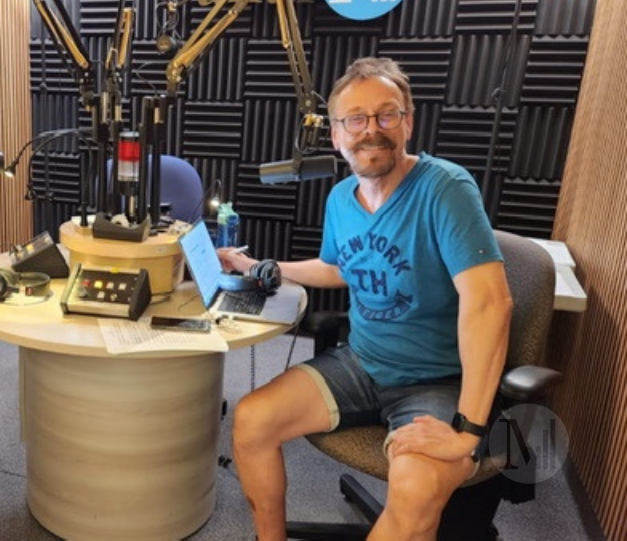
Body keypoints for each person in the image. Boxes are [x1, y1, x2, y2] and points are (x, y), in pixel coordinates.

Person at [218, 57, 513, 541]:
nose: (370, 130)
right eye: (355, 119)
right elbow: (340, 266)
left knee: (416, 493)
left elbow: (491, 304)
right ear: (335, 135)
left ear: (408, 122)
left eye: (386, 114)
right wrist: (259, 267)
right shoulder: (341, 197)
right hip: (363, 363)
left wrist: (469, 429)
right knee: (251, 420)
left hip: (434, 380)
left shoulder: (445, 188)